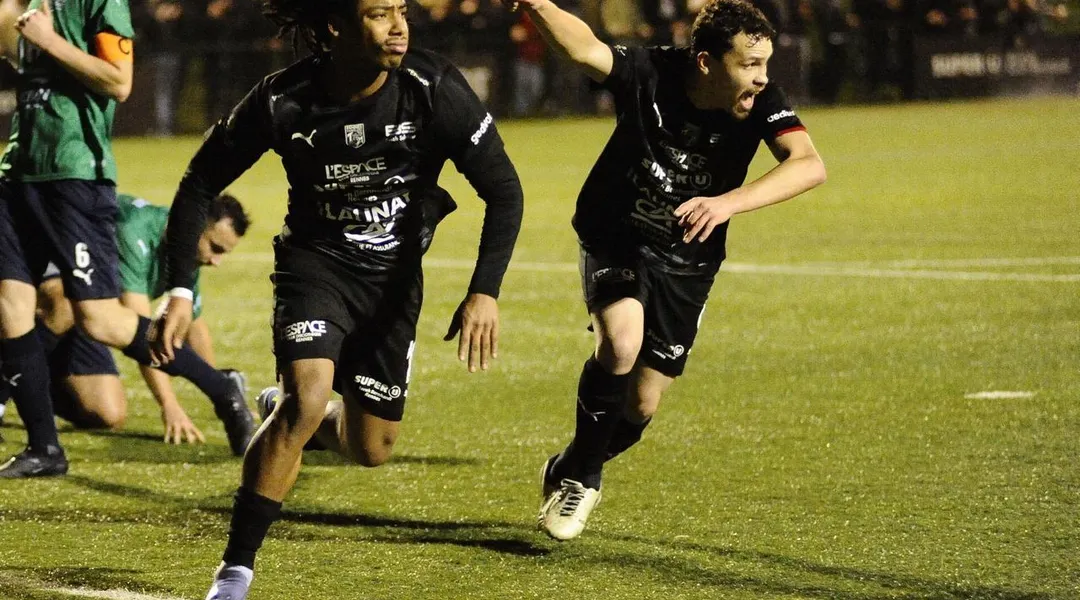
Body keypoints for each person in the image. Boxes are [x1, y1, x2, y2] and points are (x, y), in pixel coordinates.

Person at [147, 0, 524, 597]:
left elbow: (504, 190)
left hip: (392, 284)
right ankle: (234, 574)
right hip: (314, 266)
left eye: (401, 9)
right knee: (304, 402)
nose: (399, 25)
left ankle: (310, 411)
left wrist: (484, 292)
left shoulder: (434, 88)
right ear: (335, 27)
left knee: (371, 448)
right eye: (379, 13)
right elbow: (199, 181)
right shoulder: (283, 99)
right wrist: (176, 289)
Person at [513, 0, 826, 540]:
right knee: (621, 341)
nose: (762, 77)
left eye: (765, 63)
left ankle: (569, 465)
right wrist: (535, 4)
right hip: (618, 232)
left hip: (688, 259)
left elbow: (809, 164)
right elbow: (584, 47)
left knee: (640, 405)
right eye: (749, 63)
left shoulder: (761, 101)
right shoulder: (651, 72)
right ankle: (583, 482)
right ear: (706, 61)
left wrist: (728, 203)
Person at [0, 0, 252, 478]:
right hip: (18, 173)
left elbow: (119, 82)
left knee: (99, 320)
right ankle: (43, 448)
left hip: (73, 177)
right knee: (10, 304)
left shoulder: (102, 2)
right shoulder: (34, 2)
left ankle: (221, 388)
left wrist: (50, 43)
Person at [0, 192, 255, 450]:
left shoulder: (184, 252)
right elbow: (142, 330)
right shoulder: (135, 231)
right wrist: (169, 403)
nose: (217, 261)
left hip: (84, 317)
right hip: (45, 285)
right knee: (64, 305)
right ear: (194, 226)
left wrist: (221, 392)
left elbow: (194, 327)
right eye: (215, 248)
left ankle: (29, 377)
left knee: (107, 413)